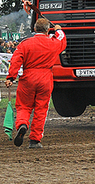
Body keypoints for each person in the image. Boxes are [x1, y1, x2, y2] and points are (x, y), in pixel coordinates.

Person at [5, 17, 66, 148]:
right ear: (47, 30)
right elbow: (62, 39)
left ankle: (22, 124)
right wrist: (59, 30)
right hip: (45, 78)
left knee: (23, 106)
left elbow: (16, 60)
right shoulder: (53, 42)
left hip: (28, 77)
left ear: (34, 29)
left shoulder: (25, 43)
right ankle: (35, 140)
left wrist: (11, 78)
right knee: (41, 109)